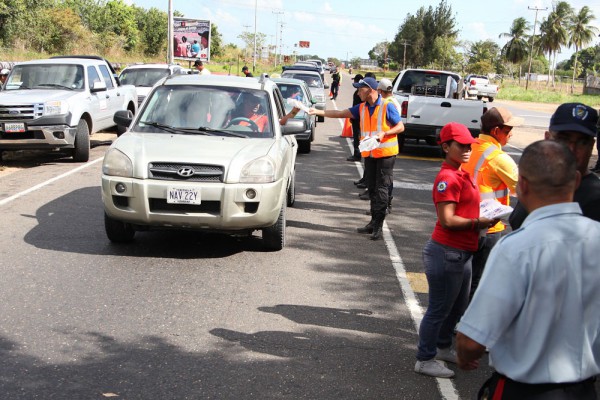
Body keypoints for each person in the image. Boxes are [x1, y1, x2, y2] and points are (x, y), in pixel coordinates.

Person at [457, 140, 600, 399]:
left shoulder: (517, 248)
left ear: (522, 184)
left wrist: (466, 356)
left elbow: (471, 340)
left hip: (524, 390)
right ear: (577, 181)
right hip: (584, 389)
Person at [414, 122, 497, 379]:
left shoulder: (461, 173)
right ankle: (425, 358)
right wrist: (479, 223)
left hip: (462, 252)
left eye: (469, 145)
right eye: (461, 145)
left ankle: (441, 346)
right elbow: (447, 219)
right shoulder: (447, 178)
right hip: (447, 252)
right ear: (446, 146)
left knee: (457, 306)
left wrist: (484, 215)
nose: (467, 149)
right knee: (439, 308)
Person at [309, 76, 404, 240]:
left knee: (381, 189)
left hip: (386, 155)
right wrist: (316, 111)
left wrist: (385, 133)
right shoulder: (362, 108)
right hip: (371, 153)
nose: (358, 91)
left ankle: (378, 227)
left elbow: (400, 126)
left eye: (361, 88)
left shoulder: (387, 106)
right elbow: (339, 113)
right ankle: (373, 222)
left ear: (371, 90)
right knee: (372, 189)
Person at [461, 107, 523, 300]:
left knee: (462, 279)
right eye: (508, 130)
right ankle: (464, 325)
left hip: (461, 222)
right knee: (478, 282)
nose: (511, 134)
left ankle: (454, 319)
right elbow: (522, 189)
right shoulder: (499, 158)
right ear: (496, 131)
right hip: (488, 228)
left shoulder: (468, 148)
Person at [509, 103, 600, 228]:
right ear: (547, 138)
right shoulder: (537, 180)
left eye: (582, 142)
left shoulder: (595, 197)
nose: (571, 149)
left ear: (591, 146)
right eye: (563, 139)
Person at [348, 74, 364, 163]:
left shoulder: (358, 93)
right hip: (361, 118)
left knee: (357, 137)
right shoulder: (360, 93)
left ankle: (357, 154)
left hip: (357, 118)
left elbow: (355, 106)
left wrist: (352, 116)